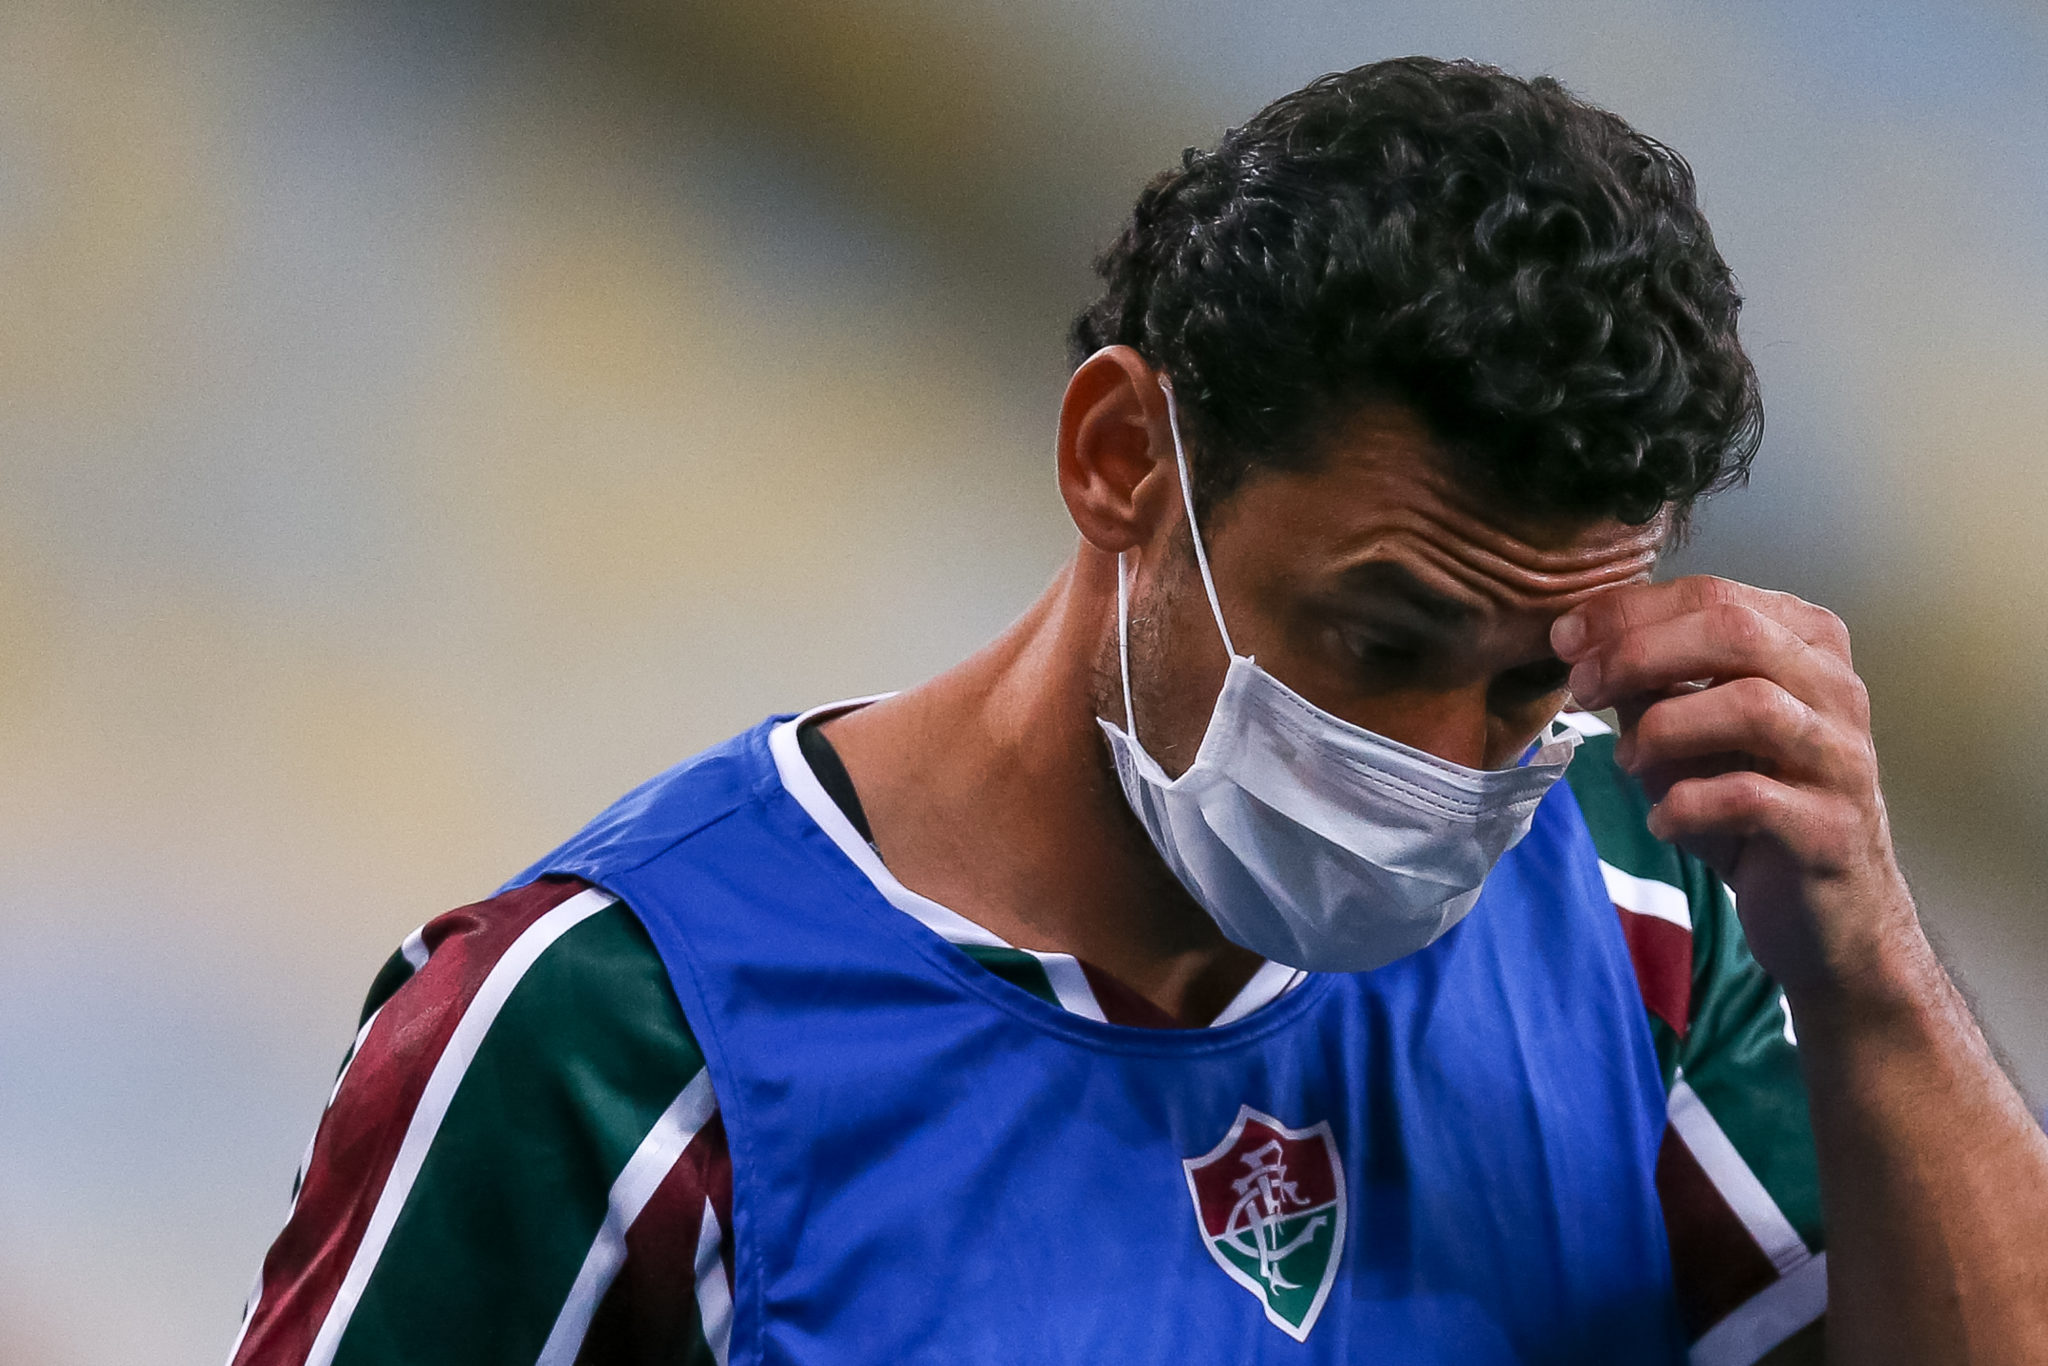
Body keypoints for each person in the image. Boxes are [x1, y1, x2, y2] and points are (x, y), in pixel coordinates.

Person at [225, 57, 2048, 1366]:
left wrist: (1869, 955)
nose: (1447, 768)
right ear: (1121, 460)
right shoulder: (614, 1050)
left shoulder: (1641, 894)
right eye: (1379, 637)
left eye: (1527, 686)